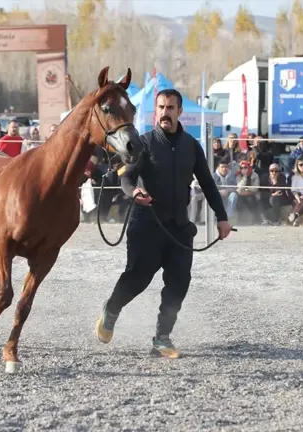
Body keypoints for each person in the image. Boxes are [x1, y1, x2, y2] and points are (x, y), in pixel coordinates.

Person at [95, 89, 233, 359]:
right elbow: (127, 177)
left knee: (179, 281)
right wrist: (134, 192)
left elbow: (207, 182)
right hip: (146, 223)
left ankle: (162, 338)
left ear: (180, 112)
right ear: (155, 111)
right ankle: (111, 311)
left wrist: (222, 217)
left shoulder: (192, 146)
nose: (165, 112)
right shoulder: (143, 143)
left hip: (179, 226)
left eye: (170, 107)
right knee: (138, 278)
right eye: (161, 107)